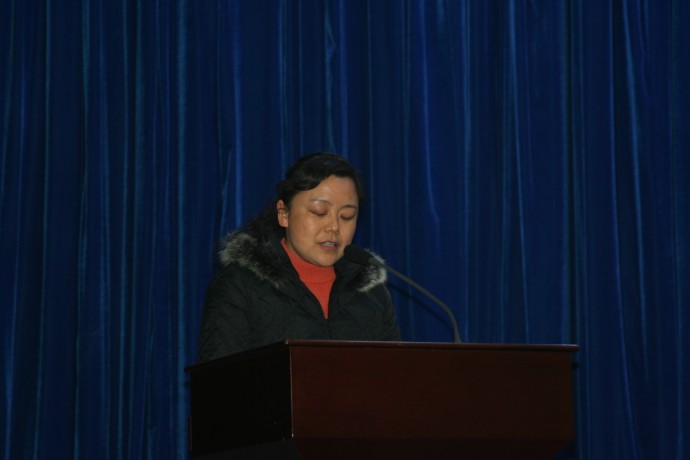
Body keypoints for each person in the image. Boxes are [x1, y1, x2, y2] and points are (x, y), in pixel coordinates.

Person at [197, 152, 401, 362]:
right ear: (284, 214)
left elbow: (395, 374)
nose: (334, 227)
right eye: (319, 212)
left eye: (346, 216)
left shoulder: (371, 292)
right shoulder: (240, 285)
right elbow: (220, 378)